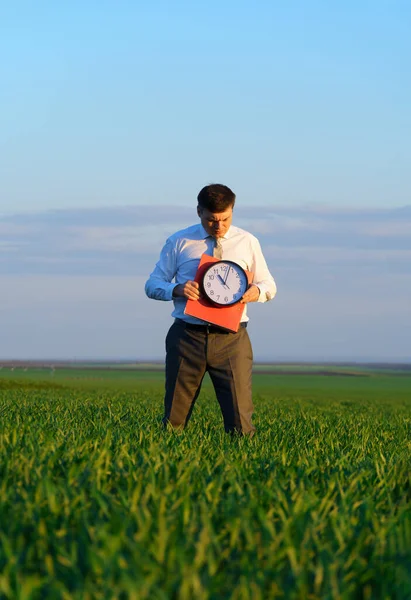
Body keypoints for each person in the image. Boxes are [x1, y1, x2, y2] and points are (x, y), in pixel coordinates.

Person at [145, 184, 276, 435]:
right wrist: (176, 289)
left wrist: (256, 292)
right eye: (211, 220)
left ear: (232, 211)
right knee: (173, 422)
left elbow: (269, 284)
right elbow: (152, 284)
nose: (219, 226)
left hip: (232, 339)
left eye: (225, 219)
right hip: (187, 338)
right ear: (198, 212)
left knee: (241, 424)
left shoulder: (248, 242)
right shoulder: (179, 241)